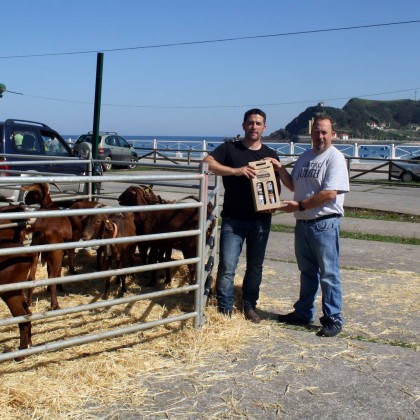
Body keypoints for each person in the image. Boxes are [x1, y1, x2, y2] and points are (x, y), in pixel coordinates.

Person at [269, 115, 349, 337]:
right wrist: (279, 168)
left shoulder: (335, 158)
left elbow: (330, 193)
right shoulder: (305, 156)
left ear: (332, 135)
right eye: (316, 132)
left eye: (324, 132)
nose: (320, 136)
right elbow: (293, 184)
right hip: (302, 223)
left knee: (328, 274)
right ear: (311, 134)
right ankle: (303, 313)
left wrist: (301, 205)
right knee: (307, 273)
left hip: (324, 223)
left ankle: (333, 318)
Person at [202, 109, 281, 323]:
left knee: (255, 266)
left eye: (258, 123)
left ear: (265, 127)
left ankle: (249, 306)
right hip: (233, 219)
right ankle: (225, 309)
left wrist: (275, 203)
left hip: (261, 221)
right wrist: (236, 171)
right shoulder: (230, 148)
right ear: (243, 125)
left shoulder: (271, 155)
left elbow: (276, 188)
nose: (254, 127)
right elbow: (206, 162)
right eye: (250, 123)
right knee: (227, 265)